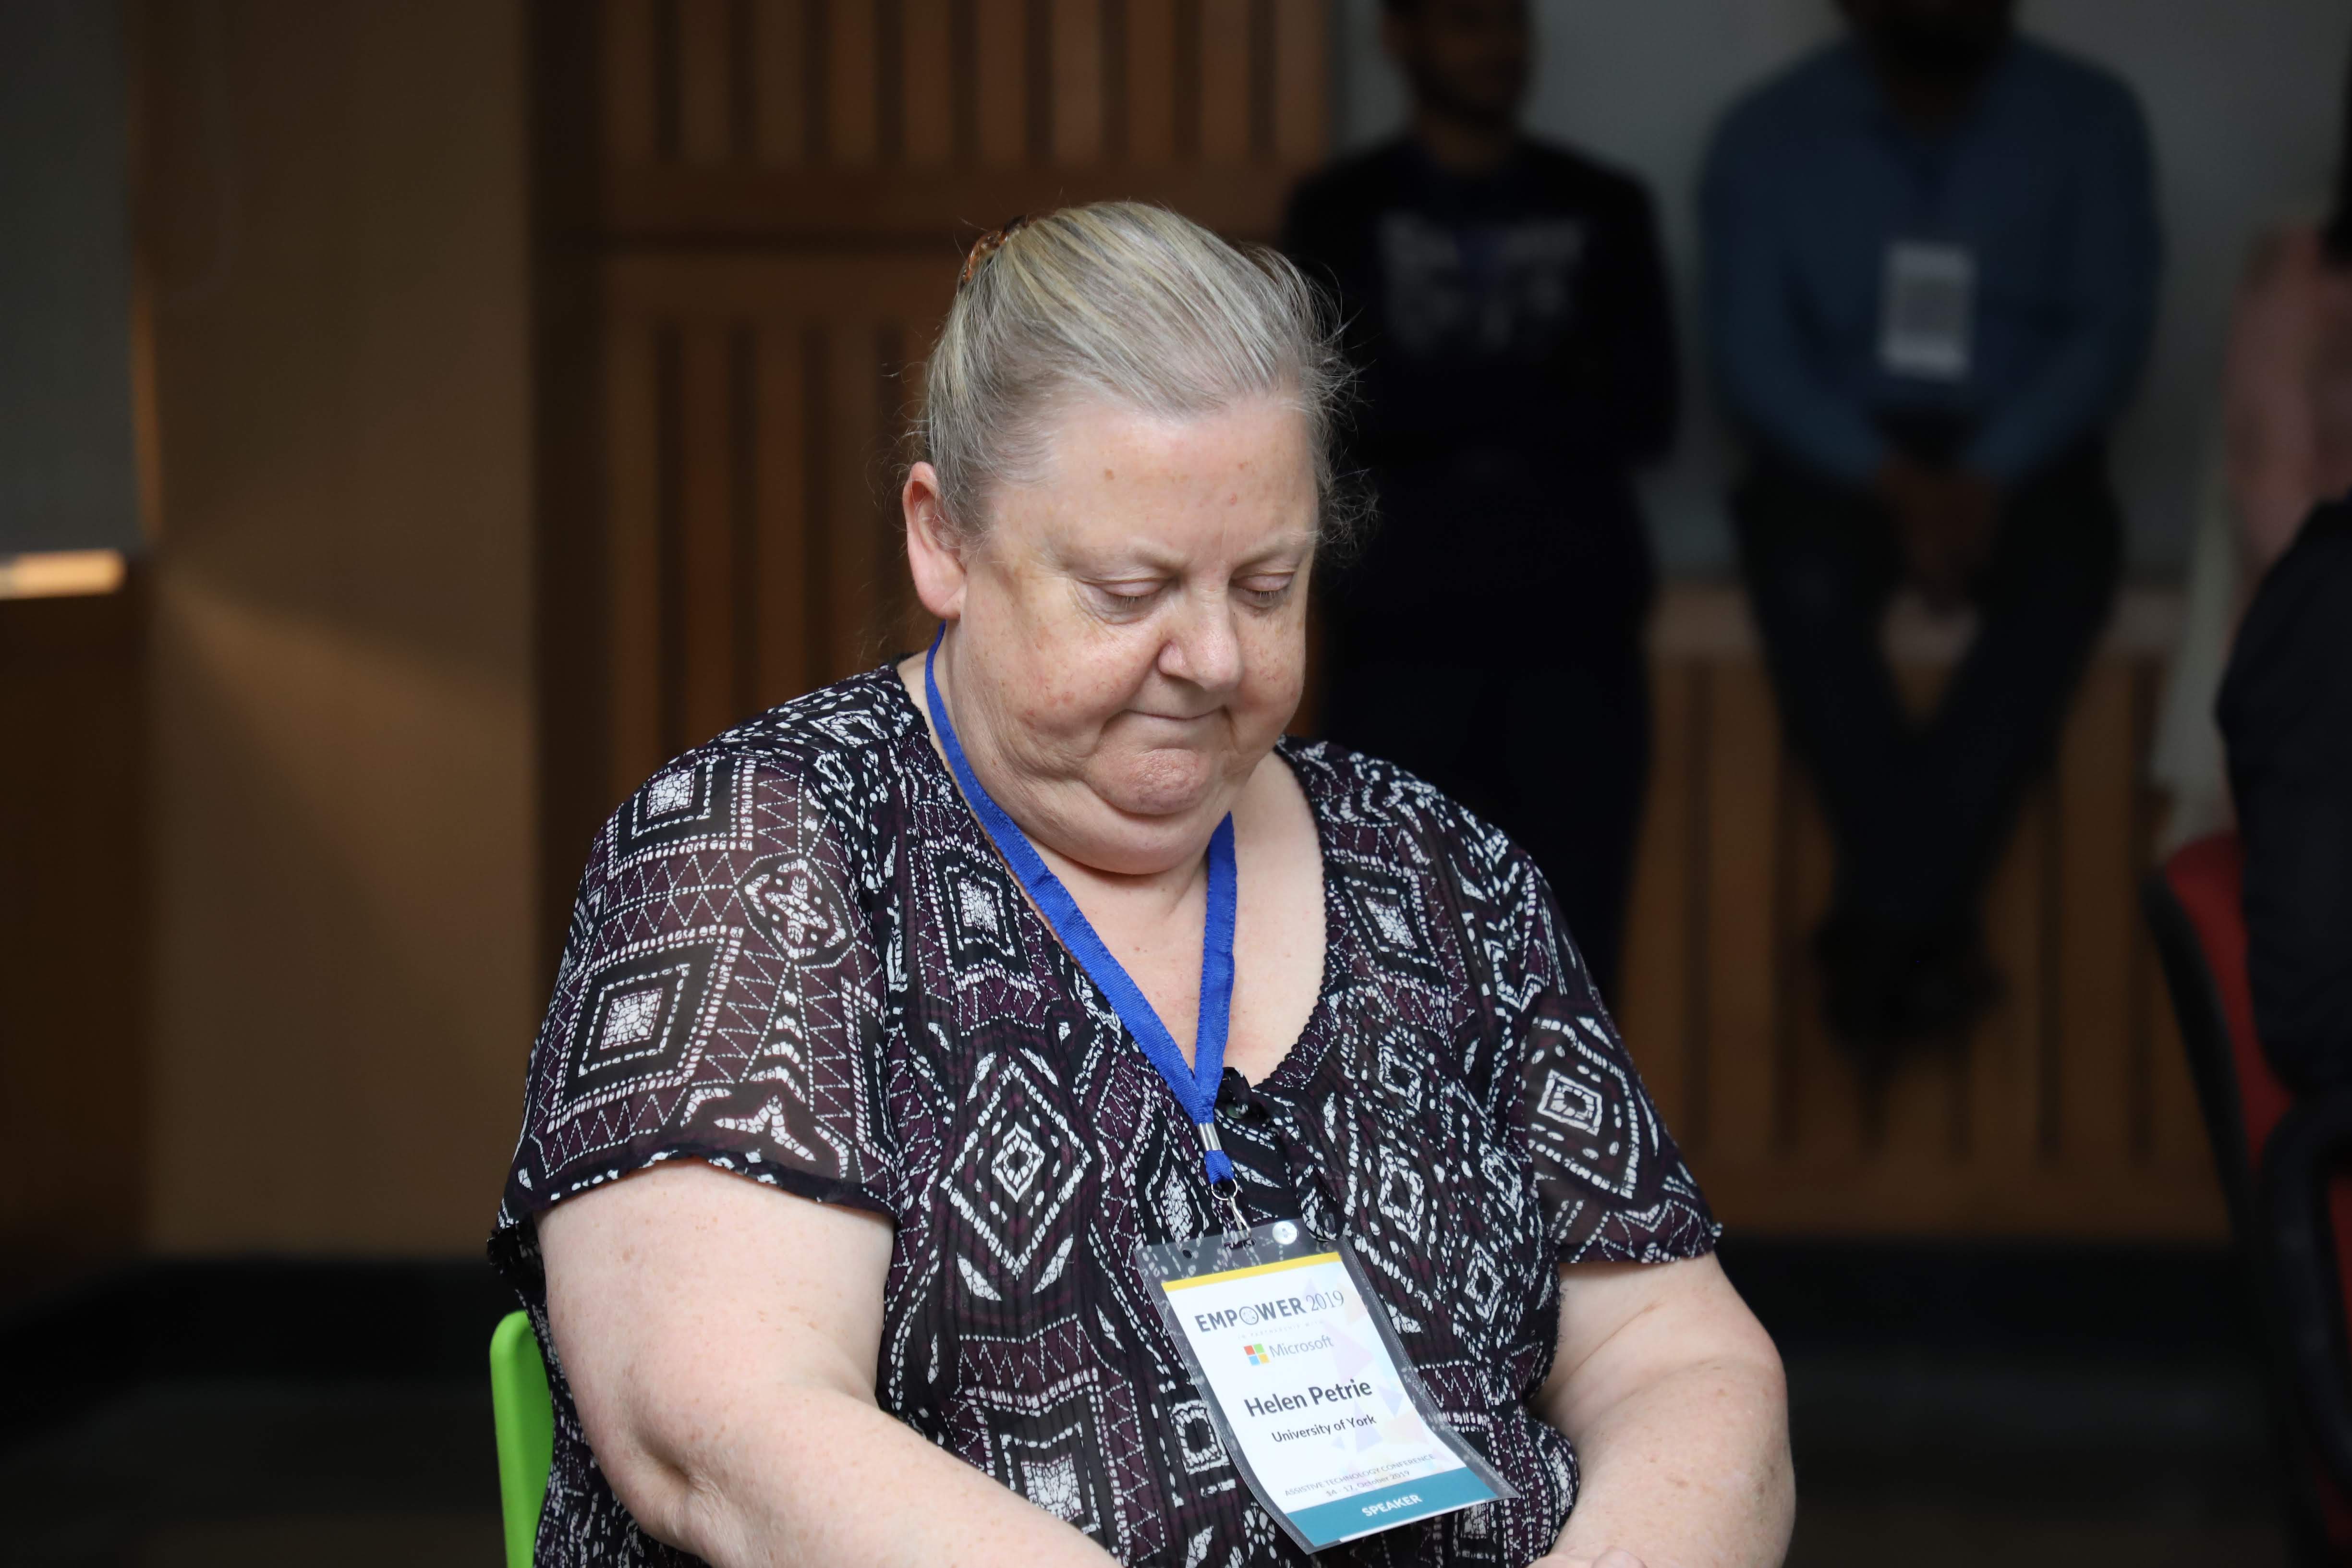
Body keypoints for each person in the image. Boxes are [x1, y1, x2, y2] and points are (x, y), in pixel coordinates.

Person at [491, 204, 1791, 1567]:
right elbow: (723, 1432)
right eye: (1129, 591)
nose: (1215, 659)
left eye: (1267, 585)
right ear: (942, 541)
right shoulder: (764, 855)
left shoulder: (1431, 867)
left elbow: (1677, 1355)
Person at [1701, 0, 2158, 1058]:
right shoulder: (1768, 131)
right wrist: (1896, 482)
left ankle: (1880, 928)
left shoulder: (2089, 118)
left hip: (2028, 452)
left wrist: (1986, 472)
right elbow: (1752, 354)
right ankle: (1920, 931)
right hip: (1835, 455)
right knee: (1800, 576)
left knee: (2066, 575)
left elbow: (2109, 332)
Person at [1283, 0, 1677, 1006]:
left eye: (1509, 24)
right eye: (1465, 22)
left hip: (1576, 633)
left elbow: (1645, 409)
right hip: (1399, 632)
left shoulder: (1606, 205)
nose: (1496, 48)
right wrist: (1542, 392)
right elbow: (1331, 412)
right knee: (1389, 964)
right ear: (1399, 36)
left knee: (1572, 967)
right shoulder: (1336, 212)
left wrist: (1432, 403)